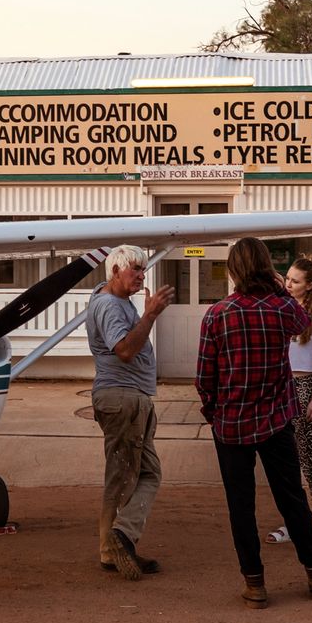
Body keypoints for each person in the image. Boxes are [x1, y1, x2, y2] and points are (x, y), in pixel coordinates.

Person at [195, 237, 312, 608]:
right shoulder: (281, 308)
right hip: (275, 421)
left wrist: (213, 413)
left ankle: (255, 584)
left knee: (241, 505)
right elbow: (302, 321)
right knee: (291, 497)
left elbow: (205, 377)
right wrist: (276, 287)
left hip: (232, 424)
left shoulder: (218, 314)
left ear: (234, 270)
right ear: (267, 269)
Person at [85, 244, 175, 580]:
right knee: (123, 474)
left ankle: (117, 542)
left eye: (142, 269)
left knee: (143, 473)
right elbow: (123, 349)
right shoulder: (110, 305)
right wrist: (150, 314)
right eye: (134, 269)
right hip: (122, 398)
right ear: (114, 271)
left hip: (129, 398)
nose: (141, 275)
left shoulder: (113, 301)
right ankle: (116, 541)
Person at [267, 256, 312, 556]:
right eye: (287, 278)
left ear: (310, 285)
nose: (289, 284)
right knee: (285, 465)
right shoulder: (281, 309)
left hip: (307, 387)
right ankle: (293, 523)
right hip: (280, 390)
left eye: (295, 281)